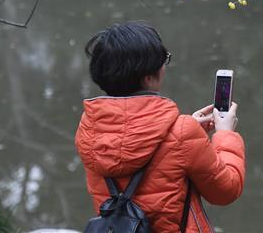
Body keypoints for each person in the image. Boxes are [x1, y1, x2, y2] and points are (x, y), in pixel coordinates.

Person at [75, 22, 245, 232]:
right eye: (164, 60)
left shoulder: (90, 130)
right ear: (148, 77)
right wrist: (225, 134)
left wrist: (185, 134)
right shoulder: (182, 133)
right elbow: (226, 191)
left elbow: (129, 141)